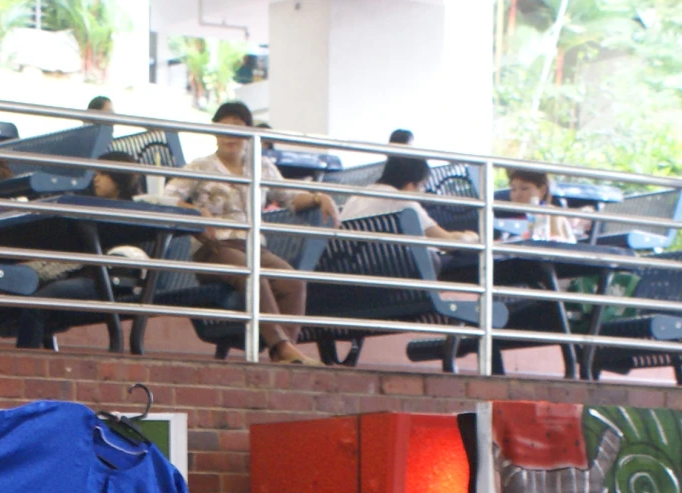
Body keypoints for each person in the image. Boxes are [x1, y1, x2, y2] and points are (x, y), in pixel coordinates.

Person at [161, 100, 338, 365]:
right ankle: (285, 349)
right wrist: (196, 212)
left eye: (238, 127)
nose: (231, 134)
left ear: (249, 134)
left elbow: (290, 197)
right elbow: (165, 198)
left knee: (293, 281)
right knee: (253, 276)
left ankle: (283, 353)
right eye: (225, 127)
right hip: (215, 248)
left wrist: (319, 196)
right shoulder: (199, 167)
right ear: (214, 131)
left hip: (255, 247)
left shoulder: (262, 167)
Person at [338, 152, 472, 243]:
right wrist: (470, 237)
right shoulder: (403, 202)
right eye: (422, 186)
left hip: (350, 272)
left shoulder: (357, 197)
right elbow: (447, 242)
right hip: (389, 272)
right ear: (410, 185)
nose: (423, 191)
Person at [505, 167, 580, 243]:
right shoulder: (506, 215)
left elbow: (561, 243)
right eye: (513, 189)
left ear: (542, 190)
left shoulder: (551, 214)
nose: (517, 195)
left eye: (524, 189)